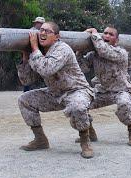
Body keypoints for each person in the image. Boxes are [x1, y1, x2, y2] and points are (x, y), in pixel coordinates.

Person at [17, 22, 95, 158]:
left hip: (76, 91)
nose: (42, 33)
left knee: (78, 106)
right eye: (41, 30)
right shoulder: (39, 52)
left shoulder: (62, 48)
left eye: (47, 31)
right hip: (55, 93)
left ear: (57, 37)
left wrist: (34, 48)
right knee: (25, 100)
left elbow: (47, 69)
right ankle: (40, 140)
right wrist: (25, 58)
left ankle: (85, 142)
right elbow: (26, 80)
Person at [78, 26, 131, 146]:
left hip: (121, 90)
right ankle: (89, 131)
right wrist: (79, 51)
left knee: (124, 104)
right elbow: (82, 67)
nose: (107, 35)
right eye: (105, 33)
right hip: (103, 90)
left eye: (111, 34)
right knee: (80, 103)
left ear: (116, 40)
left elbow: (104, 51)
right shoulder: (94, 54)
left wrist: (95, 34)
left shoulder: (121, 52)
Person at [23, 17, 46, 92]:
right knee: (28, 78)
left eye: (40, 23)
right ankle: (26, 93)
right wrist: (25, 59)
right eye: (37, 23)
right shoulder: (30, 31)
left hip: (40, 58)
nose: (38, 24)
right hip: (31, 58)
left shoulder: (45, 33)